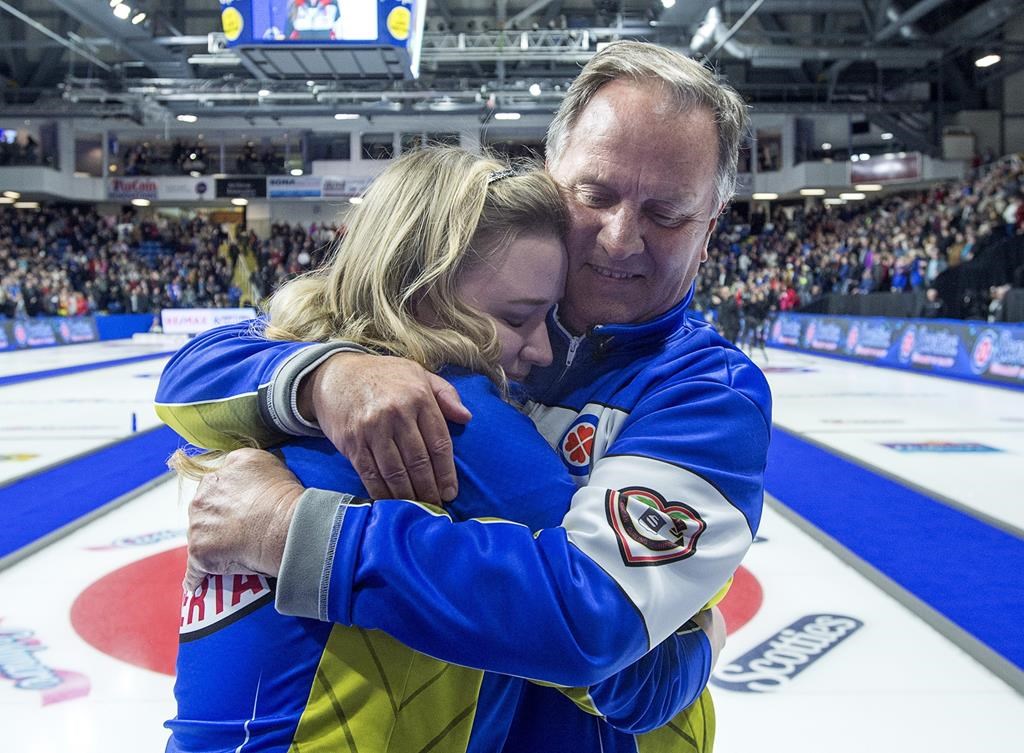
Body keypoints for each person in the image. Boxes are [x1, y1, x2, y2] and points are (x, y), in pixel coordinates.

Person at [157, 41, 770, 751]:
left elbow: (588, 620)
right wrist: (328, 377)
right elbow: (193, 369)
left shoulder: (706, 393)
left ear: (711, 226)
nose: (620, 236)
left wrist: (294, 531)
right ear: (551, 180)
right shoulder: (447, 380)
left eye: (665, 214)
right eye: (595, 195)